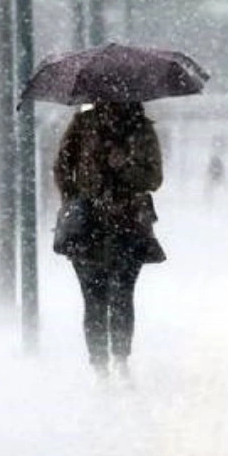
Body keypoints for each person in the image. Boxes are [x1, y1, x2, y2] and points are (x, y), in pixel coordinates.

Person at [53, 101, 165, 382]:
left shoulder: (141, 129)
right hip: (87, 226)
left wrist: (124, 165)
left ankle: (120, 359)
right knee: (94, 298)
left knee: (122, 295)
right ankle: (100, 365)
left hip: (127, 224)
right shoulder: (83, 125)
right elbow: (62, 167)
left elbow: (153, 178)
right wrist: (74, 199)